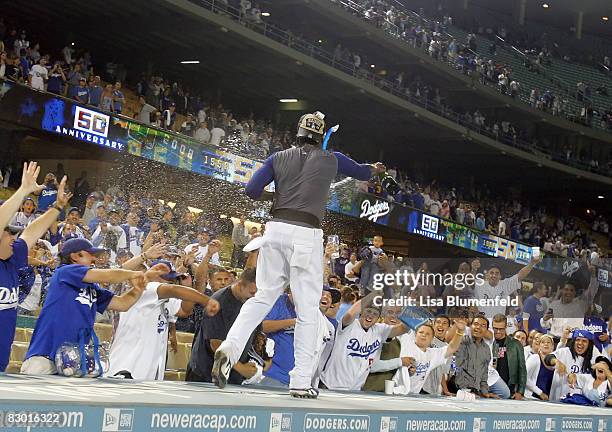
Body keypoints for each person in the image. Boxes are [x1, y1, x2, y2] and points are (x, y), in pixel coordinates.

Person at [212, 111, 386, 398]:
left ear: (298, 133)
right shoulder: (333, 158)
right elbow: (365, 172)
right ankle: (301, 381)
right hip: (306, 233)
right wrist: (377, 168)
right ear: (321, 137)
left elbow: (252, 190)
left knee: (263, 297)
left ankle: (229, 348)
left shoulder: (278, 157)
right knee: (307, 312)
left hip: (276, 229)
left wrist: (282, 196)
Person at [21, 239, 168, 374]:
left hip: (73, 362)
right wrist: (136, 272)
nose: (94, 258)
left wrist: (143, 282)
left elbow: (123, 304)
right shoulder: (64, 272)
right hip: (45, 358)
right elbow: (109, 275)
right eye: (90, 254)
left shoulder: (92, 288)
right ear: (75, 256)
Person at [0, 162, 70, 371]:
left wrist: (57, 207)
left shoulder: (13, 258)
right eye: (9, 233)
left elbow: (31, 232)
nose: (15, 236)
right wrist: (23, 191)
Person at [107, 260, 220, 380]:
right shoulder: (146, 289)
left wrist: (188, 287)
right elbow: (173, 290)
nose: (170, 281)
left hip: (145, 372)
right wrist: (207, 300)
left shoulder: (165, 301)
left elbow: (184, 311)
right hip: (126, 367)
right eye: (165, 278)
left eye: (172, 278)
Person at [186, 268, 258, 384]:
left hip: (232, 375)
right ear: (240, 285)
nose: (254, 296)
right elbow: (215, 343)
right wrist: (241, 368)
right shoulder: (218, 302)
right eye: (252, 293)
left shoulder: (251, 303)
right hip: (206, 374)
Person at [449, 315, 498, 398]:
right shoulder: (462, 342)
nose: (478, 327)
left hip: (475, 391)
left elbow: (484, 375)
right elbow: (456, 368)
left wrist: (485, 392)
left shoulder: (486, 349)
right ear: (470, 327)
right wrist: (466, 391)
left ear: (487, 330)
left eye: (483, 325)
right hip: (459, 390)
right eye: (476, 324)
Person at [474, 257, 540, 318]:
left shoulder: (505, 285)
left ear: (500, 276)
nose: (494, 275)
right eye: (491, 273)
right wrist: (474, 269)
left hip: (498, 325)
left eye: (497, 273)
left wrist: (531, 263)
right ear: (487, 275)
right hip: (482, 323)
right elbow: (469, 280)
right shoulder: (479, 284)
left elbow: (520, 275)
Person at [490, 313, 527, 399]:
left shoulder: (516, 344)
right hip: (491, 387)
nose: (498, 331)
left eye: (501, 329)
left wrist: (520, 392)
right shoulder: (488, 342)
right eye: (495, 328)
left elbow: (522, 368)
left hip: (510, 389)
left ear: (506, 326)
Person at [525, 334, 555, 400]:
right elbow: (524, 377)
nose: (546, 344)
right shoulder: (534, 358)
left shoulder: (555, 362)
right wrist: (540, 393)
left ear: (552, 346)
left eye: (548, 342)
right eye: (543, 342)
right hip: (531, 397)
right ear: (539, 346)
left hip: (547, 400)